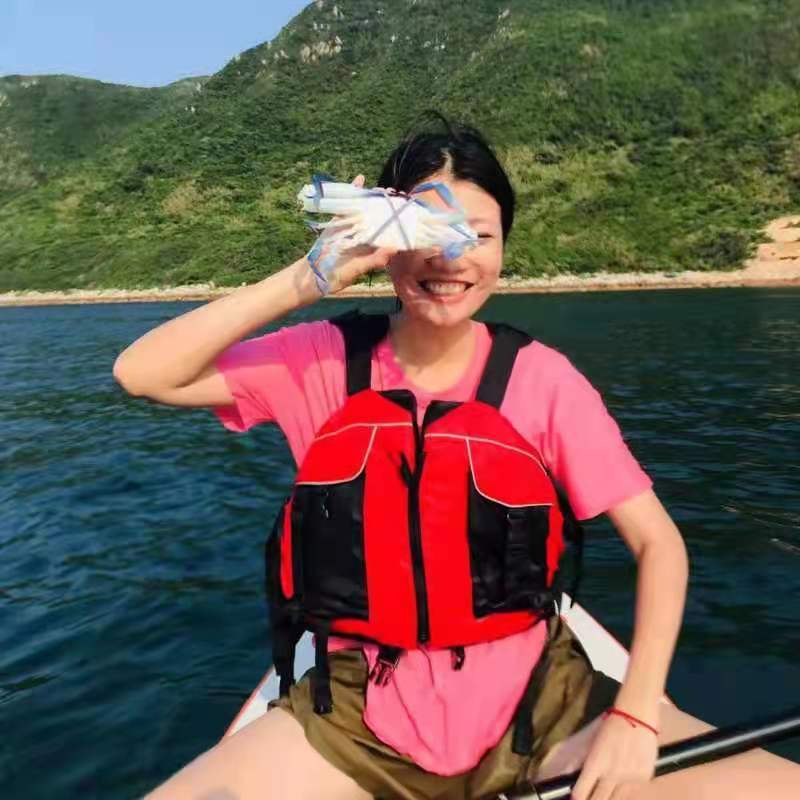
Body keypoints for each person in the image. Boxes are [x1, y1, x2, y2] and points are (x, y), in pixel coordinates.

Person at [114, 119, 800, 800]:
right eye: (426, 232)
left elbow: (658, 543)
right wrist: (310, 277)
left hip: (543, 708)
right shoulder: (319, 360)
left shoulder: (543, 380)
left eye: (478, 235)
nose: (452, 259)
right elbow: (143, 373)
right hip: (355, 718)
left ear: (504, 248)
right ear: (384, 243)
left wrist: (635, 713)